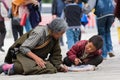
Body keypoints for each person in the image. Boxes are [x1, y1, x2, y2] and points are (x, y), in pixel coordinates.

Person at [0, 18, 68, 75]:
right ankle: (10, 67)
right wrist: (37, 59)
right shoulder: (39, 32)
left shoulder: (55, 37)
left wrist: (60, 66)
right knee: (47, 67)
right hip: (24, 55)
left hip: (35, 58)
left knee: (51, 68)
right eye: (61, 33)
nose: (61, 36)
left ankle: (14, 69)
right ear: (55, 31)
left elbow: (56, 55)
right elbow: (23, 48)